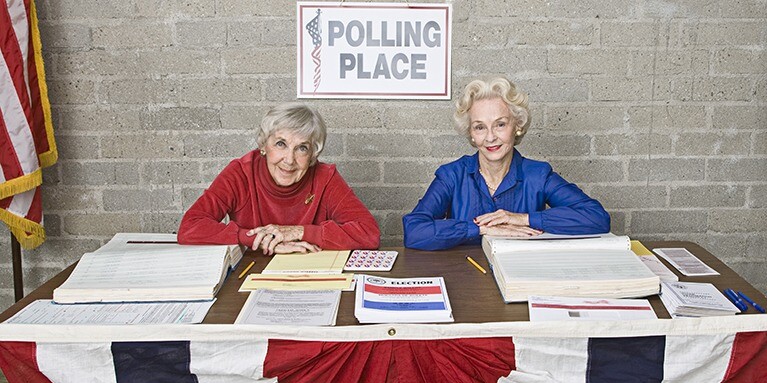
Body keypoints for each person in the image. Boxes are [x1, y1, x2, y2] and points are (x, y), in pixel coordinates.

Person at [403, 77, 610, 251]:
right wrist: (480, 229)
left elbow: (597, 218)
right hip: (465, 279)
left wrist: (523, 219)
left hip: (524, 277)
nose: (490, 137)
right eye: (480, 127)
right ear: (471, 134)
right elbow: (414, 231)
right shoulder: (452, 175)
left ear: (517, 126)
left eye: (500, 124)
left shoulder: (538, 175)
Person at [178, 102, 380, 254]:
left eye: (302, 148)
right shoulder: (240, 173)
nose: (289, 160)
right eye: (281, 144)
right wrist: (257, 239)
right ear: (264, 145)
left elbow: (369, 234)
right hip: (249, 275)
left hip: (311, 276)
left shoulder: (325, 178)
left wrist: (298, 232)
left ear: (312, 155)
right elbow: (190, 227)